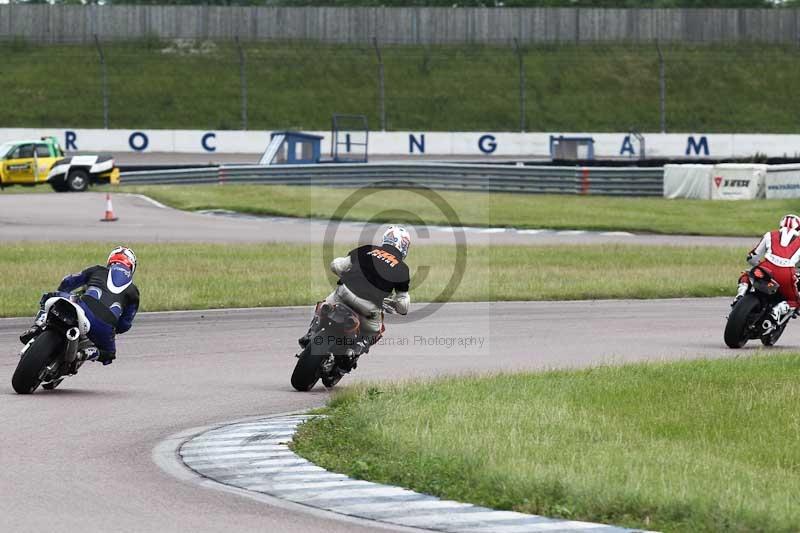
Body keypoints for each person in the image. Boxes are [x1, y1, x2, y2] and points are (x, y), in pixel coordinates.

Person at [299, 225, 412, 363]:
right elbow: (403, 306)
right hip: (368, 307)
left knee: (323, 306)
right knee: (377, 331)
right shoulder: (402, 269)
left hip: (343, 294)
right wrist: (395, 303)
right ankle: (355, 350)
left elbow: (336, 265)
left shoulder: (367, 249)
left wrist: (347, 275)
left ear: (386, 238)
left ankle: (310, 333)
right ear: (404, 246)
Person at [20, 246, 140, 366]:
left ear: (111, 260)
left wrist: (64, 293)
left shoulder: (98, 270)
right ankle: (87, 353)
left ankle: (37, 327)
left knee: (49, 296)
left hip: (84, 307)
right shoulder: (134, 292)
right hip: (105, 327)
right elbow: (124, 325)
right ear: (131, 267)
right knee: (109, 353)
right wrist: (113, 329)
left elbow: (67, 281)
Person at [733, 214, 800, 322]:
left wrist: (757, 266)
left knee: (747, 275)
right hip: (786, 273)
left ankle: (740, 295)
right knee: (795, 301)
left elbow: (752, 257)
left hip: (766, 267)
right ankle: (777, 310)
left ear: (780, 225)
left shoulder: (770, 234)